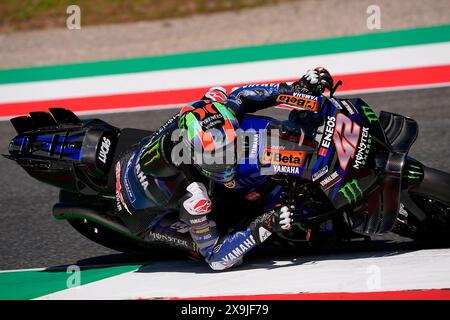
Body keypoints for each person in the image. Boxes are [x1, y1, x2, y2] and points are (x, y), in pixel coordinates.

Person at [114, 67, 334, 270]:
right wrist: (265, 225)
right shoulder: (193, 197)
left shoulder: (211, 114)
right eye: (216, 158)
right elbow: (217, 258)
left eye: (230, 148)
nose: (226, 162)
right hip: (144, 216)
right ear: (193, 154)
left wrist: (298, 90)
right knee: (223, 243)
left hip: (137, 152)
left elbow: (243, 95)